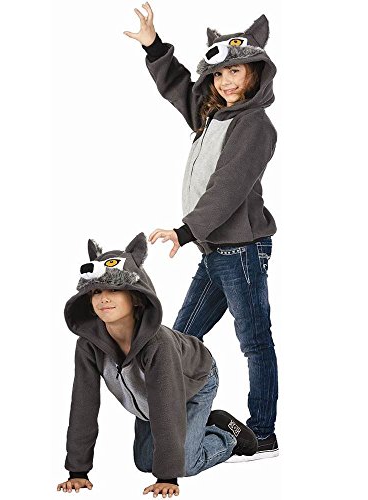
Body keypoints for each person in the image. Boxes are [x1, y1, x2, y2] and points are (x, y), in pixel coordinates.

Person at [124, 3, 279, 459]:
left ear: (254, 73)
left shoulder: (254, 125)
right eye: (218, 74)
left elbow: (228, 187)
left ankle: (263, 432)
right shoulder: (212, 114)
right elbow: (177, 85)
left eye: (235, 71)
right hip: (215, 251)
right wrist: (154, 45)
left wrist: (185, 230)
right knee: (179, 338)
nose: (226, 81)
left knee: (254, 341)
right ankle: (174, 419)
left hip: (242, 252)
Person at [56, 233, 258, 496]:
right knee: (145, 462)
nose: (103, 298)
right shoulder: (88, 346)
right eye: (96, 291)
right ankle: (198, 427)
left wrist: (167, 477)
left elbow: (166, 407)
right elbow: (83, 405)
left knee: (182, 463)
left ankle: (227, 435)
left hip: (194, 380)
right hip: (151, 397)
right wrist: (78, 472)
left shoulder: (157, 344)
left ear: (136, 297)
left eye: (114, 290)